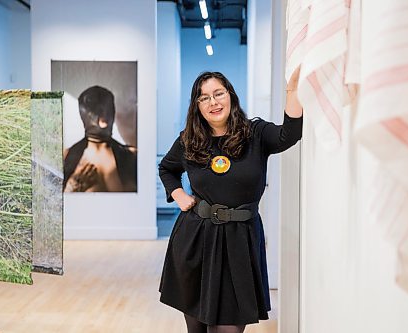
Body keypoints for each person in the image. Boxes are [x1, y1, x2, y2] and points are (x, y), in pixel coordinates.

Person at [158, 70, 303, 333]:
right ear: (197, 106)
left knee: (228, 329)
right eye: (204, 98)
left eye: (218, 94)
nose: (213, 102)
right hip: (196, 240)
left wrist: (292, 92)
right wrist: (178, 195)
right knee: (197, 329)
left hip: (240, 243)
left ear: (230, 96)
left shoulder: (255, 133)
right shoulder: (189, 140)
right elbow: (167, 168)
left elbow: (289, 135)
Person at [63, 85, 137, 192]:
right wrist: (70, 189)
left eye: (107, 107)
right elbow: (45, 203)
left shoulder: (132, 156)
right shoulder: (65, 158)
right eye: (96, 107)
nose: (104, 113)